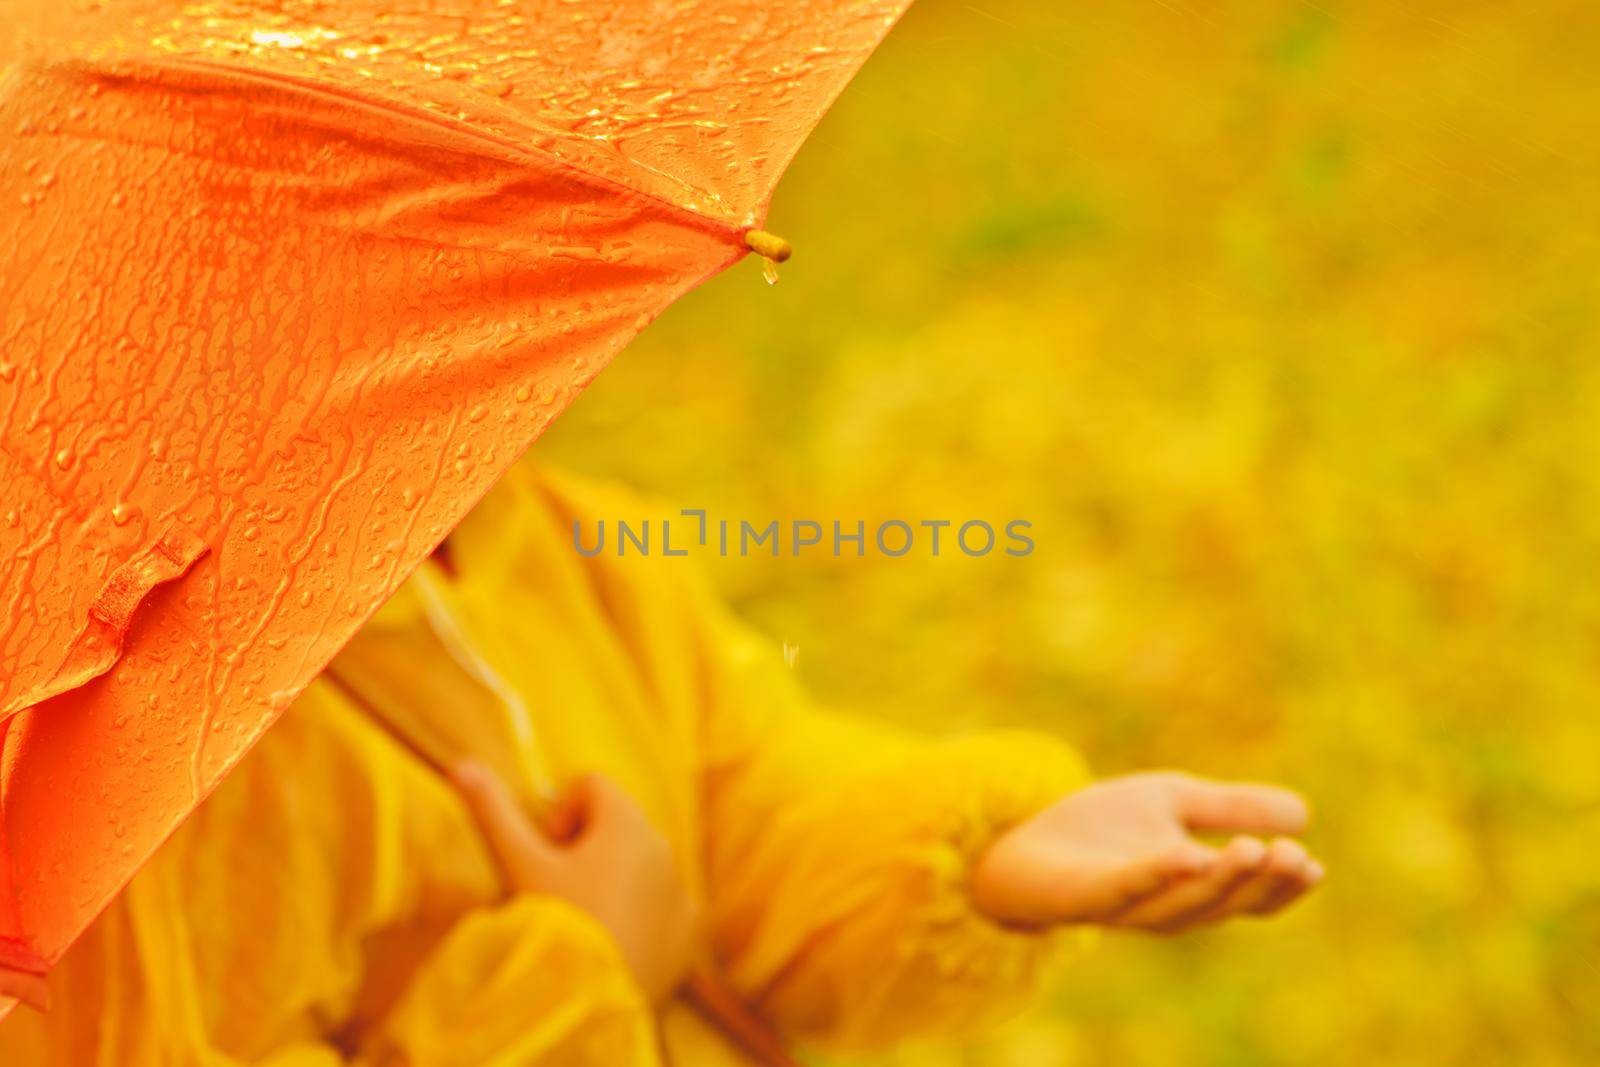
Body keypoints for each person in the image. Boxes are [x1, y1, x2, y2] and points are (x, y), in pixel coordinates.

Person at [0, 461, 1321, 1066]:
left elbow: (744, 782)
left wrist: (986, 861)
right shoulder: (141, 753)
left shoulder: (567, 538)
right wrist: (575, 974)